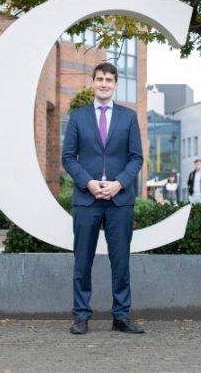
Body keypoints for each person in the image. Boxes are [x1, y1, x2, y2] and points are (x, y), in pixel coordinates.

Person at [62, 62, 145, 335]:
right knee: (82, 260)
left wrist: (119, 183)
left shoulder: (129, 118)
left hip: (119, 201)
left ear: (116, 84)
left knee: (120, 261)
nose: (104, 83)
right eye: (99, 79)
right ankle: (80, 316)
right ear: (93, 82)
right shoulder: (77, 117)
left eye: (109, 79)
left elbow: (136, 158)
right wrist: (88, 182)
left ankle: (121, 316)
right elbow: (68, 157)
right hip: (87, 199)